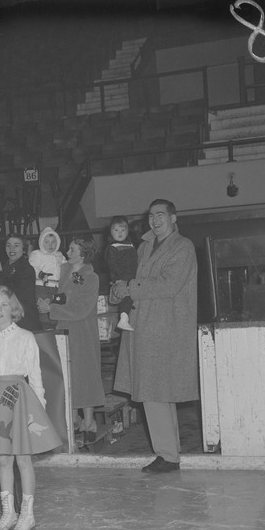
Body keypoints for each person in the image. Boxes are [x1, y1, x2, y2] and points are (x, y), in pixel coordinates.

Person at [112, 199, 198, 473]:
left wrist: (129, 287)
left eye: (161, 215)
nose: (155, 220)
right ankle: (168, 453)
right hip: (144, 327)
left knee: (156, 392)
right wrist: (118, 288)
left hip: (164, 328)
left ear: (174, 217)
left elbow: (169, 284)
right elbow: (128, 277)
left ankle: (168, 456)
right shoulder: (144, 246)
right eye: (151, 215)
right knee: (154, 393)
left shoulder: (183, 247)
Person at [0, 286, 60, 530]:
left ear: (13, 309)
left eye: (4, 305)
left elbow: (35, 374)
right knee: (3, 459)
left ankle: (27, 514)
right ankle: (8, 513)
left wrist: (38, 404)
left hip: (19, 400)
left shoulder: (26, 337)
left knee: (22, 459)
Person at [40, 236, 106, 443]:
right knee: (69, 375)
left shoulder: (91, 277)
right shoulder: (67, 269)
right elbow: (64, 296)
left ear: (84, 253)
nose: (68, 252)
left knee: (85, 375)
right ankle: (74, 419)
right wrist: (50, 301)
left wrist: (51, 309)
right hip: (64, 328)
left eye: (72, 249)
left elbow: (82, 309)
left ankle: (89, 421)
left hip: (83, 331)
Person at [0, 234, 41, 331]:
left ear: (24, 249)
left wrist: (0, 272)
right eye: (8, 245)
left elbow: (13, 295)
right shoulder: (6, 267)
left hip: (24, 322)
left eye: (16, 245)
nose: (11, 249)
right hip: (7, 320)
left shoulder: (27, 270)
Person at [105, 216, 139, 332]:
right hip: (122, 278)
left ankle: (126, 318)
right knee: (127, 296)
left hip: (133, 277)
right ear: (111, 231)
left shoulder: (131, 245)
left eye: (123, 230)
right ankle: (123, 319)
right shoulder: (113, 247)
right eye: (116, 230)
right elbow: (112, 264)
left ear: (128, 231)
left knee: (132, 297)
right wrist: (119, 278)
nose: (120, 233)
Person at [29, 227, 66, 315]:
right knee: (43, 308)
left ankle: (56, 325)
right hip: (42, 286)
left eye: (53, 242)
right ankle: (46, 326)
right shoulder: (37, 254)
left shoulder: (60, 255)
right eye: (47, 242)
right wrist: (41, 274)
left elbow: (66, 267)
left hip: (58, 287)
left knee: (57, 308)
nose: (50, 245)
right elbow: (32, 267)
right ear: (41, 242)